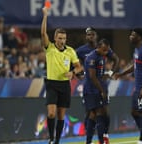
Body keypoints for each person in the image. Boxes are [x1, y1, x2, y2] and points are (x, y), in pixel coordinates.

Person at [41, 7, 82, 144]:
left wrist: (73, 72)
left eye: (64, 38)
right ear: (55, 38)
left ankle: (57, 140)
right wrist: (45, 16)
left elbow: (78, 67)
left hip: (65, 84)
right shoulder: (50, 48)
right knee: (51, 113)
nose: (62, 40)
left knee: (60, 115)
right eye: (60, 38)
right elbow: (43, 34)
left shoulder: (70, 51)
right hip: (51, 83)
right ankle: (51, 138)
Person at [76, 27, 119, 144]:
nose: (90, 37)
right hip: (91, 87)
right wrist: (77, 73)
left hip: (101, 85)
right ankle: (92, 139)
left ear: (96, 36)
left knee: (103, 112)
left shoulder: (102, 49)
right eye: (88, 35)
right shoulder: (83, 52)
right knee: (92, 113)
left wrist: (110, 73)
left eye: (92, 34)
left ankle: (103, 135)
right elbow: (74, 62)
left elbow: (116, 59)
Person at [114, 28, 142, 144]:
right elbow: (134, 66)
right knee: (134, 112)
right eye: (131, 34)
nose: (130, 36)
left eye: (133, 35)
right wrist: (121, 74)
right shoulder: (137, 50)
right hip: (138, 86)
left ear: (139, 37)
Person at [83, 39, 115, 144]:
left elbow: (116, 59)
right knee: (98, 113)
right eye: (104, 50)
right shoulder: (91, 58)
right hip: (92, 89)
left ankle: (90, 141)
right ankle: (101, 140)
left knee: (94, 114)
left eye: (107, 50)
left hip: (97, 88)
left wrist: (109, 73)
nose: (106, 53)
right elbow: (92, 76)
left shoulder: (101, 55)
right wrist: (102, 91)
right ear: (99, 47)